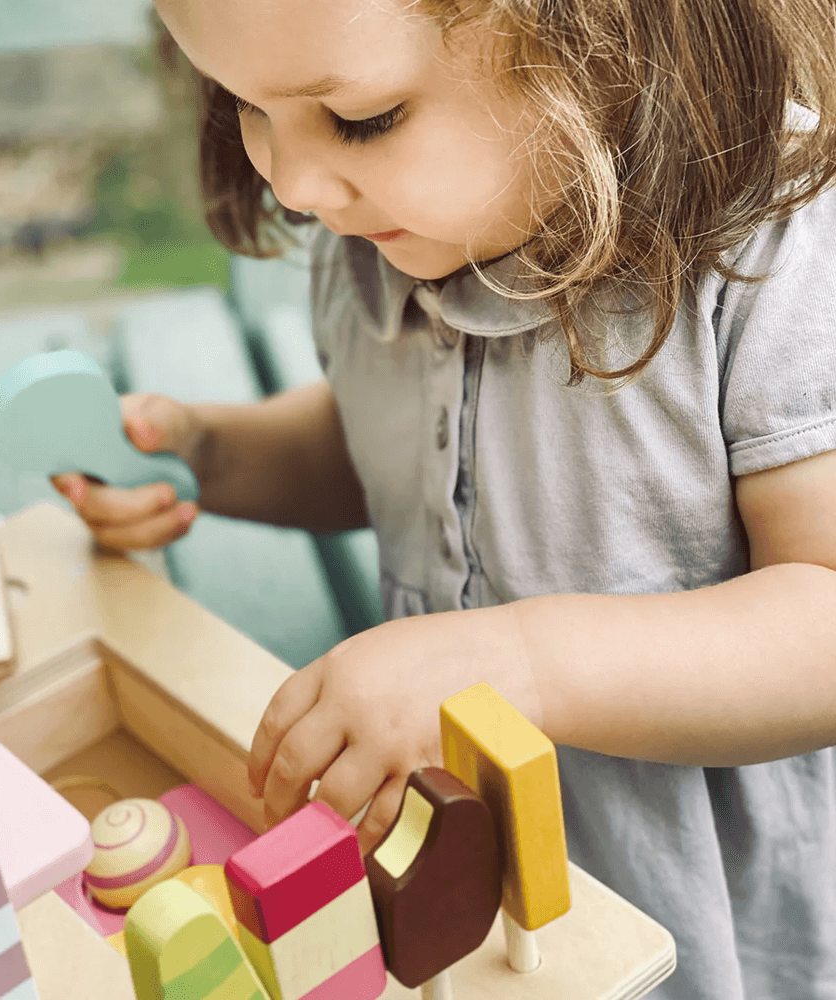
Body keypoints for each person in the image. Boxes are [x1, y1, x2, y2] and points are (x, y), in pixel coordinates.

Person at [54, 0, 836, 995]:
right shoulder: (381, 223)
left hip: (685, 917)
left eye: (362, 118)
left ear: (602, 38)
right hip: (453, 899)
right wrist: (213, 458)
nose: (293, 184)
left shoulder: (772, 241)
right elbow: (409, 456)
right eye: (242, 103)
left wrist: (520, 665)